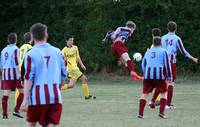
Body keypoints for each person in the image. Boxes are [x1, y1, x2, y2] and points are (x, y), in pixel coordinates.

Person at [20, 23, 67, 127]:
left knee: (31, 124)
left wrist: (25, 100)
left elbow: (28, 78)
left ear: (32, 37)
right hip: (55, 97)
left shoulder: (30, 54)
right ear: (46, 35)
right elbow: (64, 74)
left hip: (37, 98)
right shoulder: (58, 52)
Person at [150, 21, 198, 109]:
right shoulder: (177, 38)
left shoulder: (162, 38)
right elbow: (183, 51)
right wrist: (192, 58)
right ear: (176, 29)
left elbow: (158, 50)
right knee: (170, 82)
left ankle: (153, 101)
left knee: (162, 82)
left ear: (167, 28)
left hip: (162, 62)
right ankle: (168, 104)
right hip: (171, 62)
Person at [138, 36, 172, 119]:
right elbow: (167, 65)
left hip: (148, 76)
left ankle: (140, 114)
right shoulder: (164, 51)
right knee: (164, 93)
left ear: (153, 43)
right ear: (161, 43)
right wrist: (169, 76)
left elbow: (143, 64)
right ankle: (161, 113)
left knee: (145, 94)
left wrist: (145, 73)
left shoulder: (148, 51)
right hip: (159, 76)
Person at [61, 35, 93, 99]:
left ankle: (57, 89)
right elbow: (62, 61)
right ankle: (87, 96)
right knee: (84, 79)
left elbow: (78, 57)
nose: (72, 41)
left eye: (72, 40)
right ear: (66, 41)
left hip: (75, 68)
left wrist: (82, 65)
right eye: (70, 40)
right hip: (71, 69)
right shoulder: (64, 50)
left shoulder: (75, 48)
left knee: (71, 85)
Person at [1, 32, 24, 119]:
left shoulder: (3, 50)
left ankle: (4, 114)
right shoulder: (15, 49)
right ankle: (16, 110)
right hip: (14, 72)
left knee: (6, 94)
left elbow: (1, 65)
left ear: (8, 40)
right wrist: (19, 74)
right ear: (16, 40)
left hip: (5, 73)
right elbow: (16, 62)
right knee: (22, 92)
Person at [15, 32, 33, 105]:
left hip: (19, 68)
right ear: (31, 39)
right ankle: (28, 103)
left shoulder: (21, 47)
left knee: (19, 88)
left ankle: (18, 103)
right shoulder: (30, 48)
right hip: (25, 68)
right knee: (28, 86)